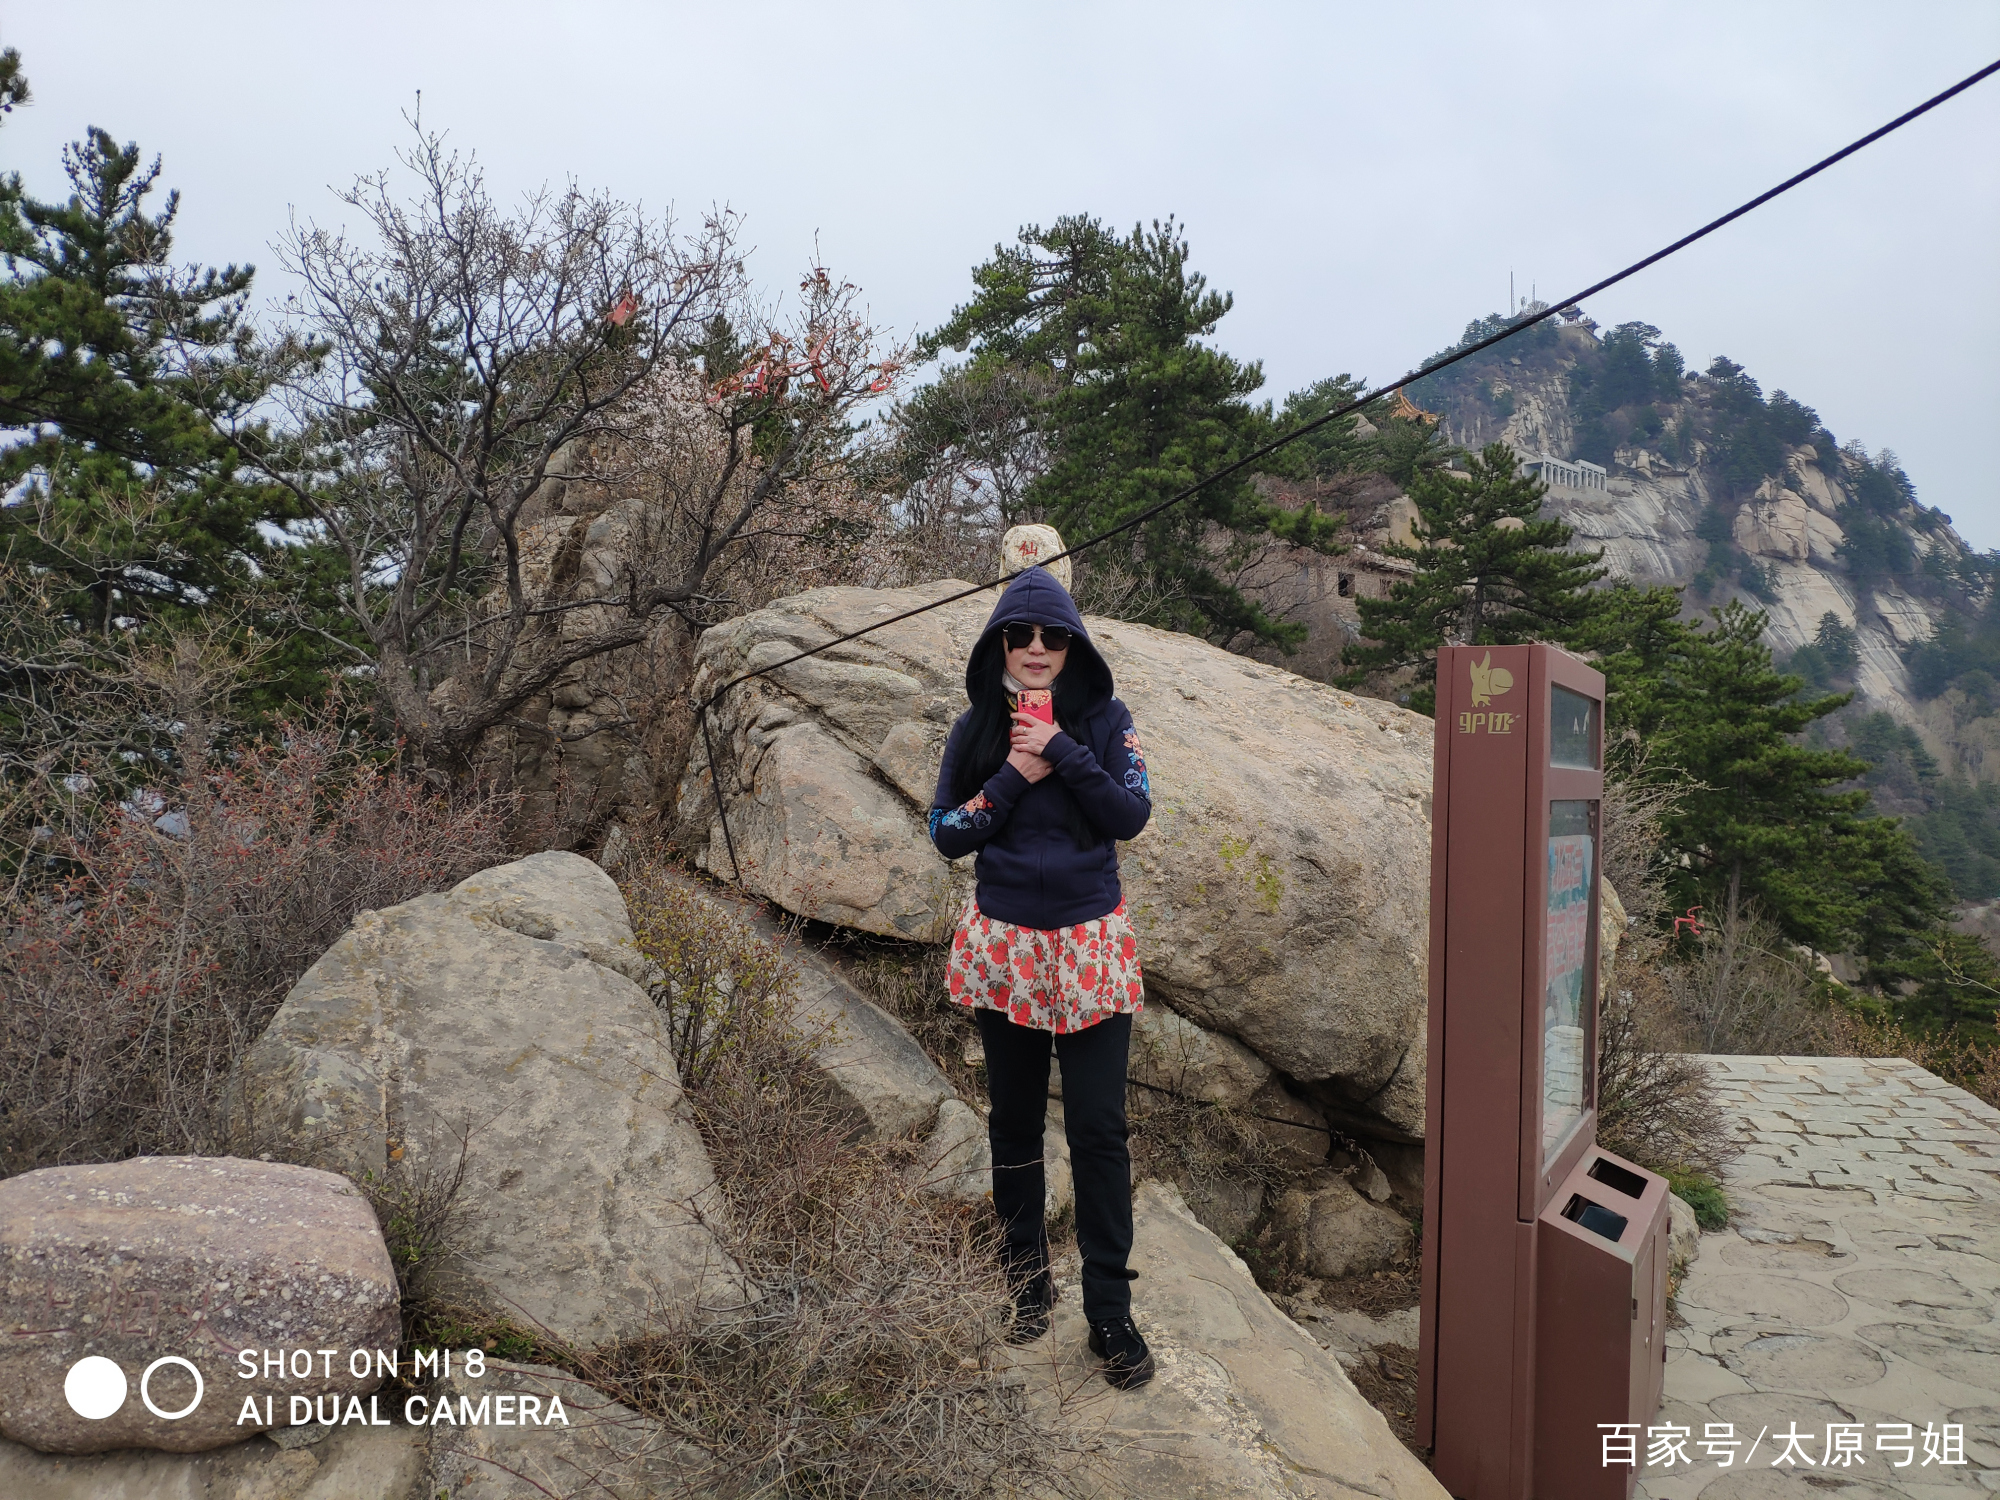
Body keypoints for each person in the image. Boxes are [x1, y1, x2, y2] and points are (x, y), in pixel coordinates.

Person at [927, 564, 1155, 1390]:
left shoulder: (1105, 719)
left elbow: (1131, 813)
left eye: (1051, 636)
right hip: (1010, 947)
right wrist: (1012, 778)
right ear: (998, 646)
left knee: (1099, 1130)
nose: (1034, 648)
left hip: (1091, 944)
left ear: (1073, 646)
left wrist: (1059, 749)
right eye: (1018, 636)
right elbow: (948, 832)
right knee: (1015, 1125)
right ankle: (1027, 1286)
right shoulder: (975, 728)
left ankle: (1109, 1311)